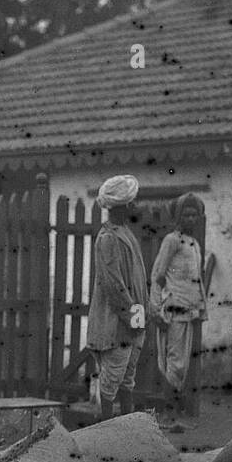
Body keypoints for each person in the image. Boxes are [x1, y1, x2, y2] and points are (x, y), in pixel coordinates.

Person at [86, 175, 149, 421]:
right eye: (130, 202)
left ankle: (127, 426)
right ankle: (107, 428)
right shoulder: (108, 238)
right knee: (111, 379)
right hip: (116, 324)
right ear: (119, 206)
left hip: (133, 321)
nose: (134, 207)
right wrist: (132, 317)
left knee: (127, 378)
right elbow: (114, 285)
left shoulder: (125, 234)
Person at [149, 192, 207, 428]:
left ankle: (174, 414)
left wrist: (201, 306)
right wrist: (155, 309)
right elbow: (157, 275)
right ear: (178, 216)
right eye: (186, 214)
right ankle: (166, 415)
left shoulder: (193, 243)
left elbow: (196, 278)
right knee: (174, 364)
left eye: (194, 214)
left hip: (190, 310)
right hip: (172, 310)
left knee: (182, 366)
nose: (191, 218)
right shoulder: (171, 240)